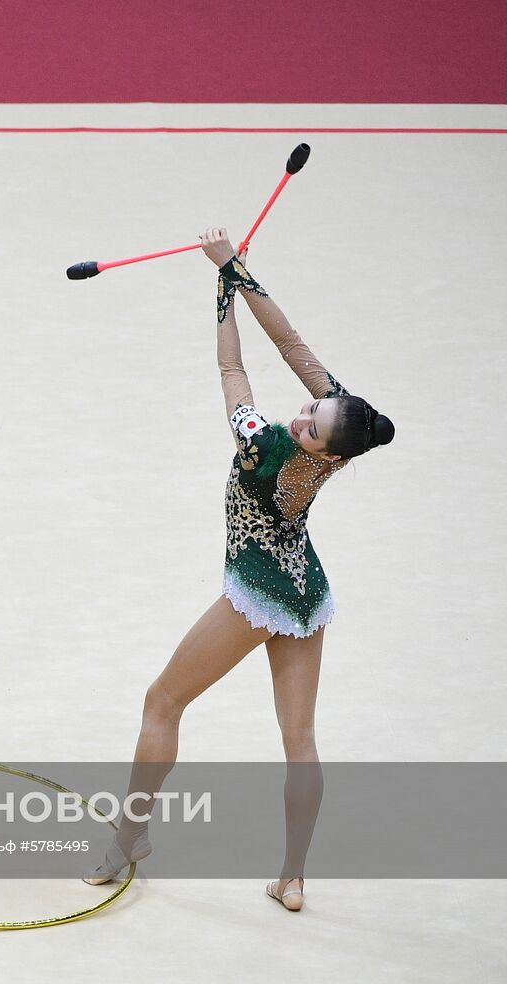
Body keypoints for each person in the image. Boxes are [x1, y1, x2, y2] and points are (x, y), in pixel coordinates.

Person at [84, 228, 395, 912]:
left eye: (313, 420)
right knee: (300, 740)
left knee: (162, 702)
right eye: (312, 405)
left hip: (257, 590)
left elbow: (233, 372)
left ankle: (126, 841)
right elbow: (292, 347)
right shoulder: (347, 440)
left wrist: (221, 296)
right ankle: (293, 877)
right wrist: (235, 271)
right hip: (307, 590)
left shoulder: (263, 446)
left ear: (321, 444)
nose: (305, 411)